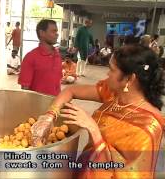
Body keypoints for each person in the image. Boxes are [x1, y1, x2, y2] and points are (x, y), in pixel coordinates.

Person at [31, 44, 165, 178]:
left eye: (112, 70)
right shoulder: (115, 92)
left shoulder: (149, 126)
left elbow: (128, 174)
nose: (107, 74)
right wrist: (49, 116)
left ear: (129, 79)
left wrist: (93, 129)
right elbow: (70, 91)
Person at [18, 19, 62, 96]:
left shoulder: (57, 55)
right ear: (42, 33)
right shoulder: (30, 57)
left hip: (55, 105)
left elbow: (57, 85)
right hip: (37, 105)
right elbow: (25, 90)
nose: (57, 34)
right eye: (53, 31)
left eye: (56, 31)